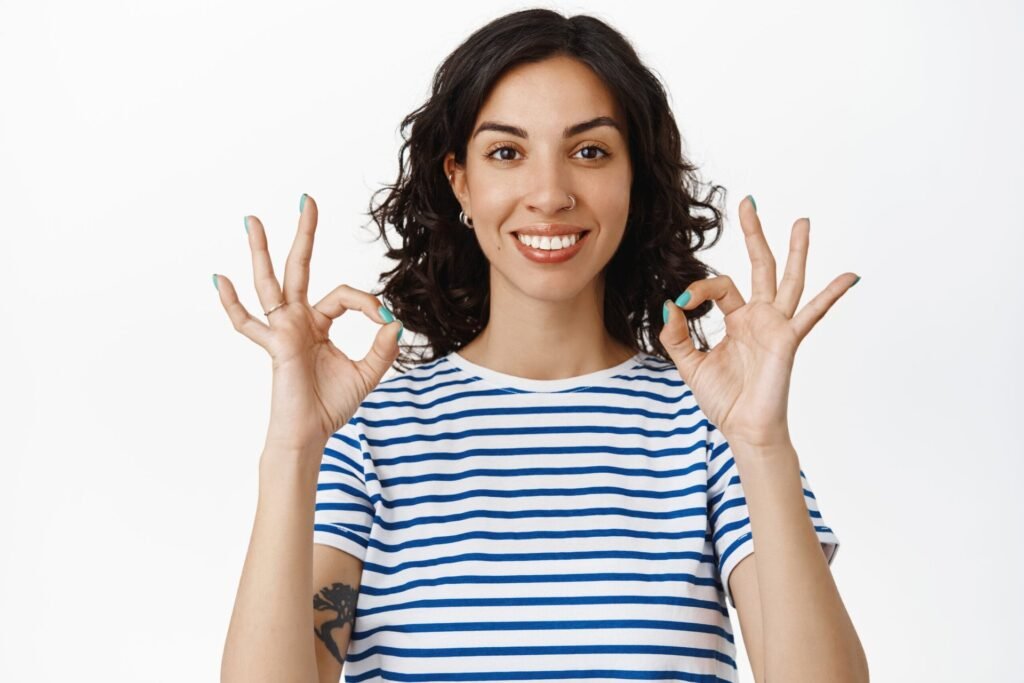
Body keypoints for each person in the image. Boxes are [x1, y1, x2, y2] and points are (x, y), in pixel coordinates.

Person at [216, 8, 869, 683]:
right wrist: (292, 449)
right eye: (507, 152)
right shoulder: (370, 429)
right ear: (460, 179)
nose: (551, 194)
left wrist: (762, 444)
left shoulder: (714, 424)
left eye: (590, 151)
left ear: (634, 179)